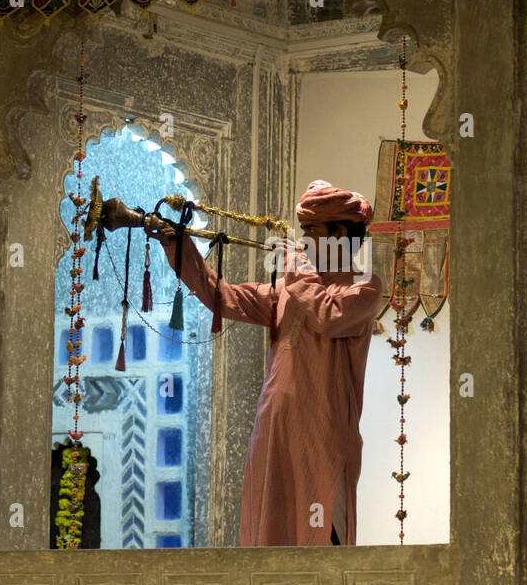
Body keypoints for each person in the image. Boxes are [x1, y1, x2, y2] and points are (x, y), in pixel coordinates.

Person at [145, 180, 383, 546]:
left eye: (311, 231)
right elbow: (220, 295)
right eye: (301, 232)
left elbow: (326, 315)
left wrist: (294, 268)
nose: (303, 242)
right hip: (275, 431)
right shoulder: (289, 288)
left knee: (321, 539)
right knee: (272, 534)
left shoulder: (362, 289)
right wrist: (176, 243)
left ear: (339, 233)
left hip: (324, 437)